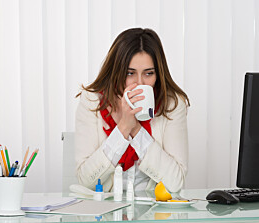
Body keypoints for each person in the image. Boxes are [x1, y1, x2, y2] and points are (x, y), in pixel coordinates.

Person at [75, 28, 190, 193]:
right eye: (130, 73)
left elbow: (176, 182)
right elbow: (86, 181)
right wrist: (123, 128)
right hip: (106, 212)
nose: (140, 83)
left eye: (148, 73)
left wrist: (136, 130)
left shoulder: (172, 104)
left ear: (158, 74)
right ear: (116, 72)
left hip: (152, 212)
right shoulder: (91, 101)